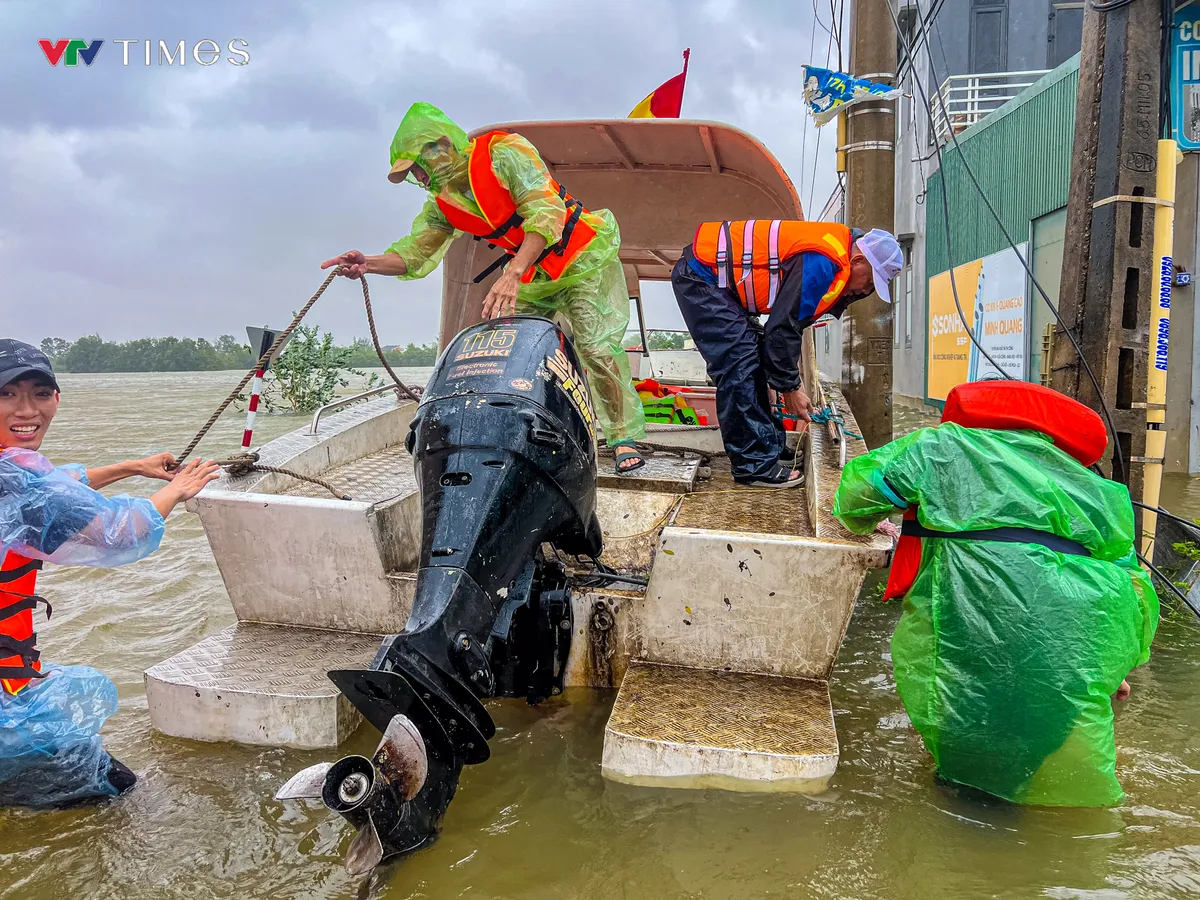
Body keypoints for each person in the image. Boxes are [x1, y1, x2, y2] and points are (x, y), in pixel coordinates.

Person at [831, 380, 1159, 807]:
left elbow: (856, 500)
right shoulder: (1099, 490)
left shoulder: (940, 447)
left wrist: (897, 514)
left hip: (976, 625)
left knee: (968, 770)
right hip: (1087, 640)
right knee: (1063, 771)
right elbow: (1136, 590)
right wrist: (1121, 663)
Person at [321, 102, 648, 474]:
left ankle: (622, 438)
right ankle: (515, 431)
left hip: (582, 258)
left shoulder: (504, 153)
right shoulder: (443, 204)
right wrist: (369, 264)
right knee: (509, 348)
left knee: (594, 346)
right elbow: (415, 253)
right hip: (537, 274)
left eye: (417, 169)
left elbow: (546, 212)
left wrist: (513, 273)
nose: (420, 179)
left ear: (440, 148)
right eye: (413, 174)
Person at [0, 339, 220, 807]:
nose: (27, 409)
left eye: (40, 393)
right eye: (7, 394)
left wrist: (129, 467)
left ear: (57, 398)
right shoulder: (14, 482)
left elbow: (53, 489)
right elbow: (122, 533)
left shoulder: (15, 474)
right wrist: (177, 490)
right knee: (120, 803)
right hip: (8, 710)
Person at [671, 220, 902, 487]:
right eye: (870, 281)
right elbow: (782, 328)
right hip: (700, 277)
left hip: (716, 284)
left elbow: (782, 332)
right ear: (859, 260)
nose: (865, 291)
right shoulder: (822, 262)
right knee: (739, 362)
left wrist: (786, 380)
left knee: (751, 354)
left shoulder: (832, 254)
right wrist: (790, 388)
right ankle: (752, 465)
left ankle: (766, 445)